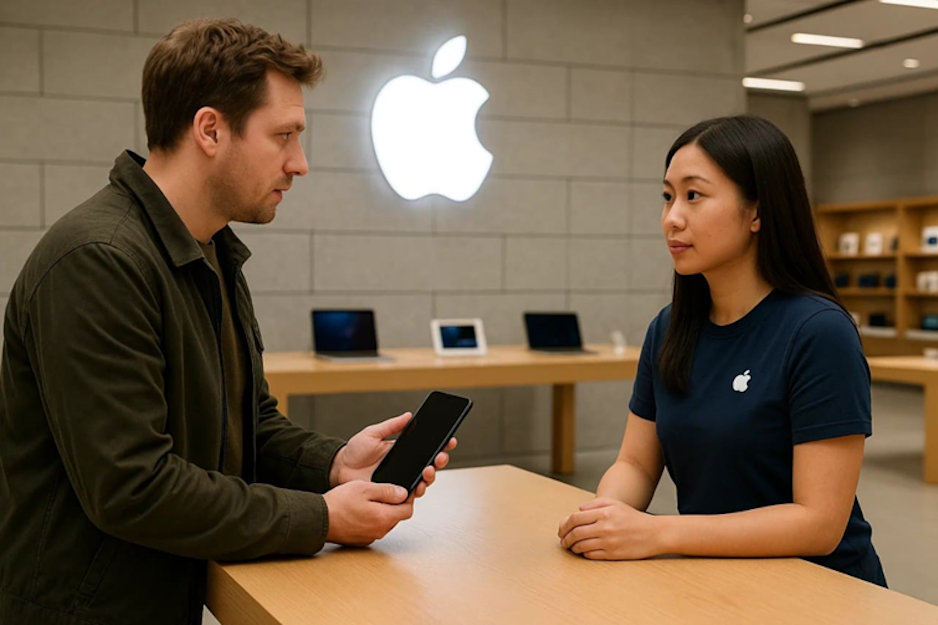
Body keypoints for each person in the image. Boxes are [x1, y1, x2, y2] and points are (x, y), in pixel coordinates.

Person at [0, 18, 455, 625]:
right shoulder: (98, 262)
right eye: (285, 135)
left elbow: (248, 423)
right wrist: (322, 517)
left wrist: (334, 464)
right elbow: (134, 488)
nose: (300, 164)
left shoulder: (209, 249)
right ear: (210, 130)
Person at [557, 115, 886, 586]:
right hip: (712, 580)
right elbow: (635, 463)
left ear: (758, 212)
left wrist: (658, 533)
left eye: (694, 195)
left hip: (819, 589)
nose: (672, 217)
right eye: (668, 197)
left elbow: (819, 524)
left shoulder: (819, 332)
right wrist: (604, 515)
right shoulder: (668, 329)